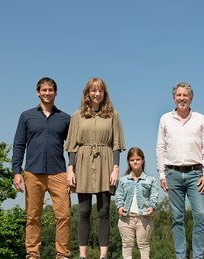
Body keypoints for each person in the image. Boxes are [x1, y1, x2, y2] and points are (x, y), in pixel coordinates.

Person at [65, 77, 125, 259]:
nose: (96, 94)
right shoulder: (77, 115)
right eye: (93, 90)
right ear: (87, 93)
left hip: (106, 161)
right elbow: (72, 145)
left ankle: (103, 254)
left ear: (104, 93)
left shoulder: (113, 114)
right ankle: (82, 255)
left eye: (100, 91)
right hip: (82, 162)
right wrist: (70, 168)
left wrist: (115, 168)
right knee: (83, 211)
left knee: (104, 211)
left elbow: (116, 144)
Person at [12, 77, 71, 259]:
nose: (47, 93)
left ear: (55, 93)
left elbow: (72, 148)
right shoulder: (26, 116)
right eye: (44, 90)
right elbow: (19, 144)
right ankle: (32, 254)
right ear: (38, 92)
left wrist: (72, 169)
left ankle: (62, 254)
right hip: (32, 173)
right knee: (33, 216)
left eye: (50, 90)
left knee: (64, 216)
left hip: (59, 173)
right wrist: (16, 172)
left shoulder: (65, 118)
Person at [156, 82, 204, 259]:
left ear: (191, 97)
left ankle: (198, 256)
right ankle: (181, 255)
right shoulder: (165, 119)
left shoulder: (201, 119)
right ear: (174, 98)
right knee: (177, 218)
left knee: (200, 215)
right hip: (172, 173)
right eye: (179, 95)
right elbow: (161, 147)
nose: (182, 98)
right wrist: (162, 174)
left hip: (196, 173)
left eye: (185, 95)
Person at [116, 147, 158, 259]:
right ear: (129, 162)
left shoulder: (151, 180)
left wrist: (152, 208)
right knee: (127, 246)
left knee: (144, 246)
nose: (135, 162)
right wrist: (119, 207)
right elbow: (119, 196)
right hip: (126, 218)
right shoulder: (123, 180)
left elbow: (153, 196)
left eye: (138, 159)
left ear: (143, 160)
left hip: (144, 218)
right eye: (132, 160)